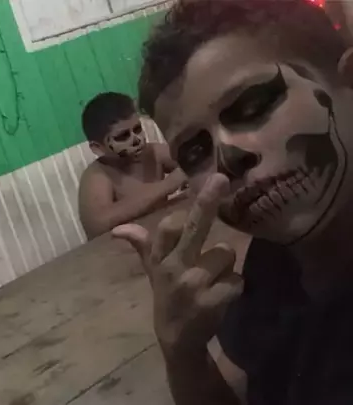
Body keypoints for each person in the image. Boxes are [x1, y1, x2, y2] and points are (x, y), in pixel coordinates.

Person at [112, 0, 353, 404]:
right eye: (194, 151)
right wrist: (183, 351)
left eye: (254, 107)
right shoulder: (272, 265)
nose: (227, 158)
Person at [78, 92, 187, 239]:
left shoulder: (153, 153)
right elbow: (96, 225)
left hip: (162, 235)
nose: (136, 139)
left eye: (137, 129)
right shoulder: (98, 175)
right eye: (122, 136)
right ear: (98, 148)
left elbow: (194, 162)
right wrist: (169, 184)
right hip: (124, 247)